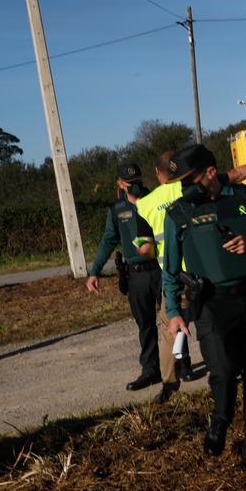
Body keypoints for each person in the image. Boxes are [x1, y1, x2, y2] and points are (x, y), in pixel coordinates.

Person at [160, 144, 246, 472]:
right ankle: (221, 417)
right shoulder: (178, 212)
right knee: (222, 371)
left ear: (209, 172)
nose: (185, 187)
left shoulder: (245, 199)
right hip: (210, 306)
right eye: (180, 182)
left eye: (190, 179)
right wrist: (174, 311)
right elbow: (171, 269)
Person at [136, 150, 246, 387]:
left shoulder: (146, 203)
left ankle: (173, 381)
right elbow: (237, 174)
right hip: (207, 274)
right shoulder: (202, 184)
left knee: (174, 329)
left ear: (158, 173)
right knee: (222, 330)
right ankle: (224, 372)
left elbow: (144, 250)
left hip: (176, 277)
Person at [85, 162, 170, 399]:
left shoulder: (155, 198)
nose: (133, 186)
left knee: (171, 319)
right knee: (145, 324)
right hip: (136, 274)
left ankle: (181, 365)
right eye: (128, 183)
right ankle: (151, 370)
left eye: (137, 182)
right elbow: (108, 240)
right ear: (119, 185)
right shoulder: (116, 209)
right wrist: (94, 271)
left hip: (161, 268)